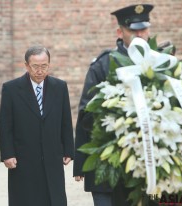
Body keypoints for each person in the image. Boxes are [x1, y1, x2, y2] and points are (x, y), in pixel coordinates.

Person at [73, 4, 163, 206]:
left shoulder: (162, 62)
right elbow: (86, 115)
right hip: (110, 168)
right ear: (120, 32)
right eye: (133, 30)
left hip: (152, 167)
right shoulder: (103, 65)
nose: (139, 34)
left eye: (144, 29)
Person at [0, 45, 74, 206]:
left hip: (52, 155)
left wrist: (68, 149)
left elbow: (65, 120)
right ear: (26, 66)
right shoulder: (11, 89)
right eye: (35, 66)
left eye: (44, 66)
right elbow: (5, 125)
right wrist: (7, 154)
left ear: (49, 64)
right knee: (26, 199)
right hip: (23, 158)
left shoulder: (59, 87)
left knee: (54, 198)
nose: (40, 71)